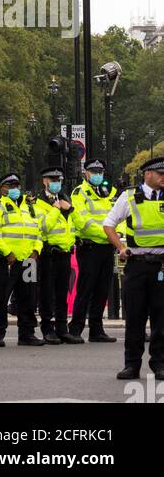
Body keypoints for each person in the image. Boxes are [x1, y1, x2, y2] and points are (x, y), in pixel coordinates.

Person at [103, 154, 164, 381]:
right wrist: (120, 247)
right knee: (135, 319)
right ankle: (132, 365)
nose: (163, 178)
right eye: (160, 174)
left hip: (162, 266)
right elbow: (108, 225)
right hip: (137, 266)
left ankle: (160, 364)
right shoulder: (129, 197)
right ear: (147, 174)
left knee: (161, 319)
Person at [0, 173, 43, 347]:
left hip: (28, 260)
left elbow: (38, 232)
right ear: (2, 189)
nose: (14, 189)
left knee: (29, 298)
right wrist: (8, 253)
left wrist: (36, 250)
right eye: (9, 186)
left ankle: (27, 334)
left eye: (16, 186)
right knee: (0, 298)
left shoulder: (30, 207)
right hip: (7, 260)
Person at [67, 159, 117, 343]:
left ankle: (96, 330)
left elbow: (115, 217)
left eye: (100, 171)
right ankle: (75, 329)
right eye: (94, 171)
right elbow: (83, 222)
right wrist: (109, 234)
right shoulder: (79, 193)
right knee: (86, 288)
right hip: (89, 247)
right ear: (85, 173)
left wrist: (113, 234)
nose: (98, 175)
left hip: (106, 247)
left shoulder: (107, 193)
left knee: (102, 289)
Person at [31, 168, 82, 345]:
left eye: (58, 180)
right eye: (52, 179)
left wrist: (71, 210)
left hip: (65, 253)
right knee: (47, 293)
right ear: (44, 181)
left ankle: (62, 329)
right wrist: (56, 210)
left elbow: (76, 224)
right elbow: (43, 227)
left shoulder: (65, 198)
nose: (56, 183)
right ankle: (47, 329)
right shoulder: (37, 202)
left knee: (62, 293)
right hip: (48, 253)